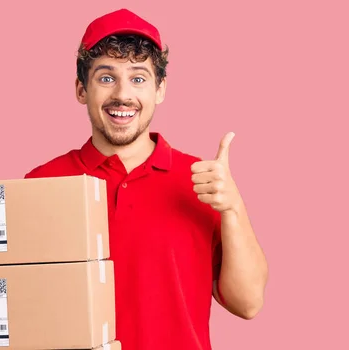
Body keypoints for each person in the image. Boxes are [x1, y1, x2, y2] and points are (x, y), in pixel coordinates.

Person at [24, 8, 268, 350]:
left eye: (138, 78)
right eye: (106, 78)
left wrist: (234, 208)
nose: (123, 95)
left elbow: (248, 303)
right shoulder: (42, 183)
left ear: (160, 90)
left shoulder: (202, 180)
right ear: (81, 89)